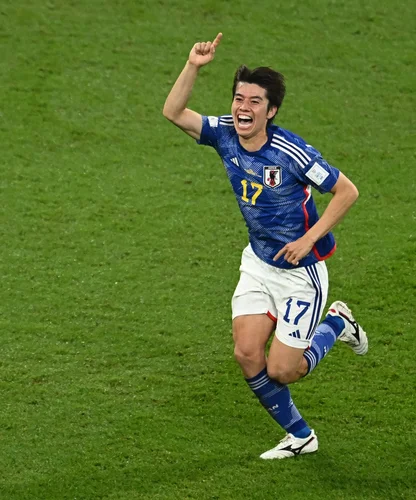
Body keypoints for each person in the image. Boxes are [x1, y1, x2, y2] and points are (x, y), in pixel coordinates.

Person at [163, 33, 368, 457]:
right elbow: (174, 111)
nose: (243, 108)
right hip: (258, 263)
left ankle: (337, 324)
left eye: (255, 101)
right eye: (239, 98)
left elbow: (347, 191)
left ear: (270, 111)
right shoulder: (223, 134)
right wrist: (193, 66)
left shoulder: (290, 152)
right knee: (246, 353)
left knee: (283, 370)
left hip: (300, 275)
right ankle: (301, 436)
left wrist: (308, 238)